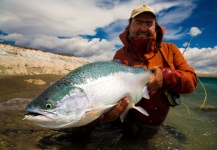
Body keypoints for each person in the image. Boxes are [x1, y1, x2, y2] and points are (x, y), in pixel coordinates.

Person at [70, 4, 198, 138]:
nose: (143, 28)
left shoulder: (170, 49)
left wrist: (165, 76)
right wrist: (107, 112)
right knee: (86, 119)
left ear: (155, 27)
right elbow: (115, 87)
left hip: (150, 123)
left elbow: (191, 82)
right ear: (129, 27)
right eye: (138, 23)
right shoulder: (121, 54)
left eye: (149, 23)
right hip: (124, 116)